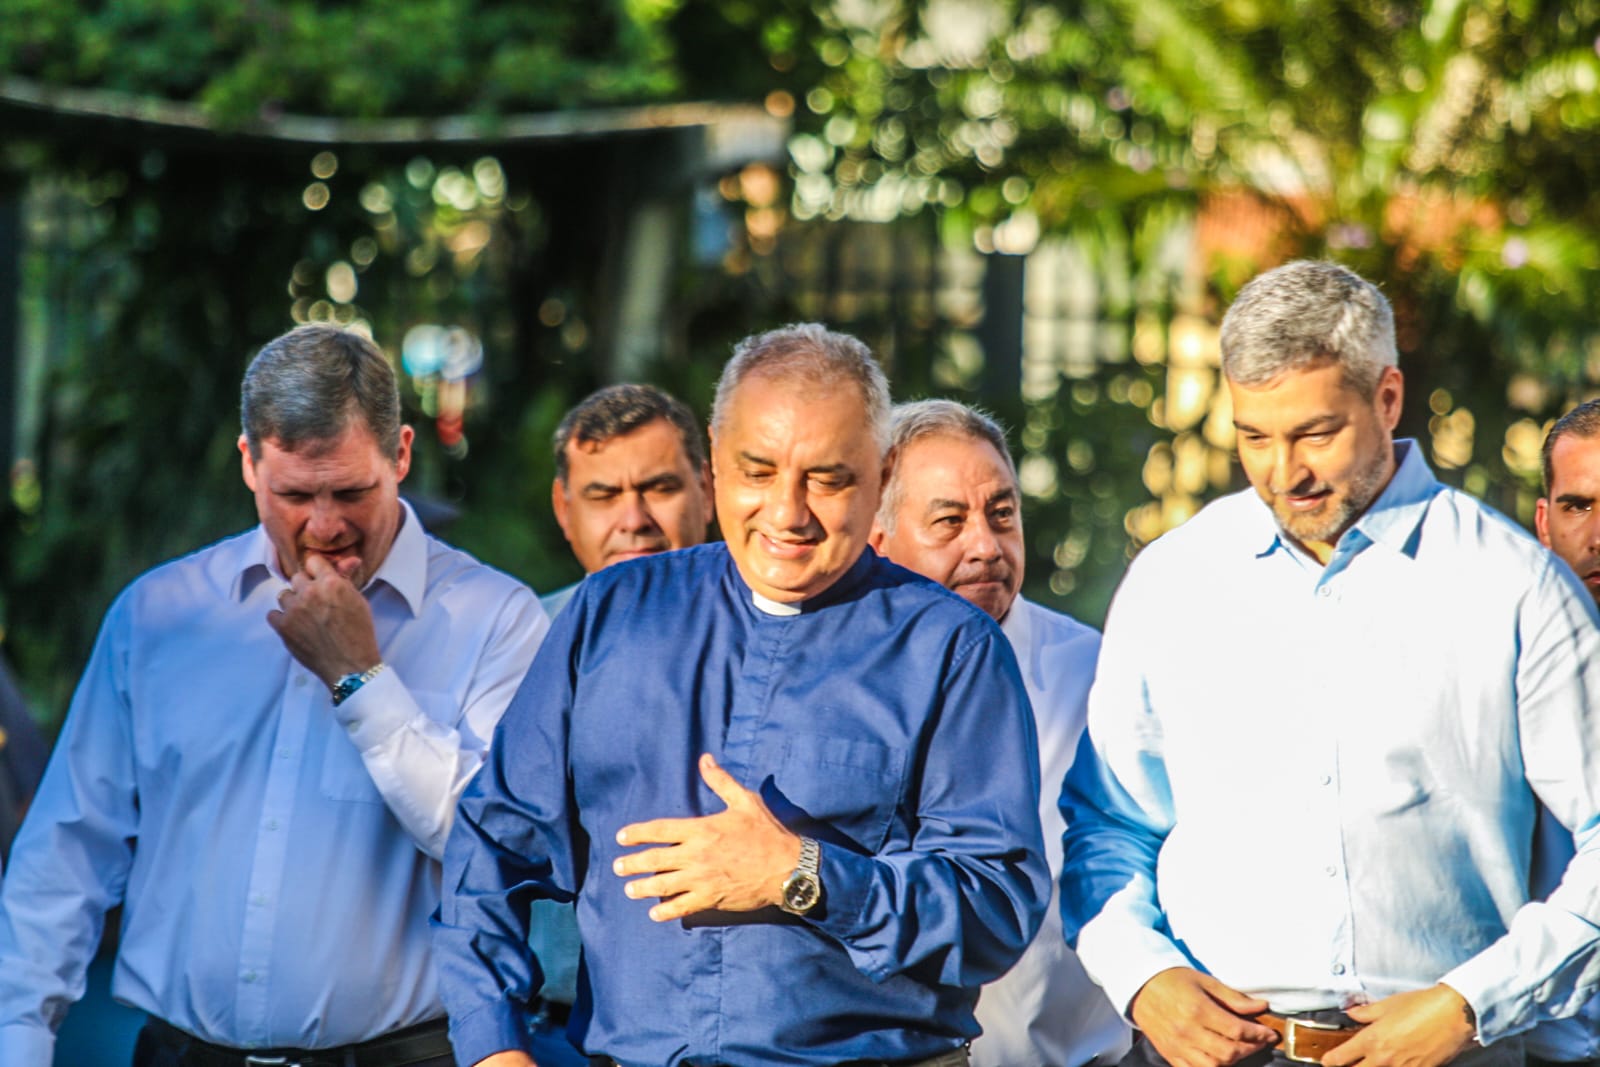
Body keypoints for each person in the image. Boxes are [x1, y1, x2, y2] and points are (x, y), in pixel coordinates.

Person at [434, 323, 1050, 1067]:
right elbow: (492, 845)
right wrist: (491, 1043)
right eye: (758, 471)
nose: (788, 513)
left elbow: (996, 906)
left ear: (883, 474)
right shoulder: (610, 616)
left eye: (827, 478)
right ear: (714, 464)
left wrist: (805, 875)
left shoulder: (952, 650)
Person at [1060, 260, 1600, 1067]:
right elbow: (1109, 824)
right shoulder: (1173, 583)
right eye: (1253, 437)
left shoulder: (1519, 588)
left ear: (1387, 397)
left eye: (1315, 432)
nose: (1285, 472)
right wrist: (1146, 978)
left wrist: (1470, 1005)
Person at [0, 324, 547, 1067]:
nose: (325, 526)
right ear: (250, 464)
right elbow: (67, 851)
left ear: (403, 455)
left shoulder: (497, 619)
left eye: (352, 490)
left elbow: (496, 846)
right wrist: (19, 1043)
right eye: (295, 494)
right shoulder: (157, 616)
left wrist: (361, 679)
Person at [869, 398, 1130, 1067]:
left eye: (1002, 514)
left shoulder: (1095, 673)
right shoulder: (836, 674)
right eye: (949, 521)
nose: (985, 544)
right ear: (878, 536)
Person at [1526, 401, 1600, 1067]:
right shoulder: (1496, 666)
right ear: (1544, 522)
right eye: (1578, 506)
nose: (1598, 534)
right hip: (1532, 1039)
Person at [542, 383, 714, 618]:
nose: (634, 521)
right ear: (564, 508)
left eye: (660, 489)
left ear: (706, 492)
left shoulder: (768, 633)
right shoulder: (527, 640)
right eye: (604, 497)